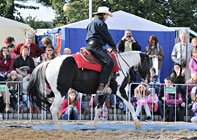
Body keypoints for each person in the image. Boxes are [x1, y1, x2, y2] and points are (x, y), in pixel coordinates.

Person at [86, 6, 117, 93]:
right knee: (110, 62)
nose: (107, 17)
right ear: (103, 14)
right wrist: (114, 46)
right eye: (106, 15)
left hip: (89, 45)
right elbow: (107, 36)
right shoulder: (101, 23)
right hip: (96, 46)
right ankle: (101, 85)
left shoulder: (91, 23)